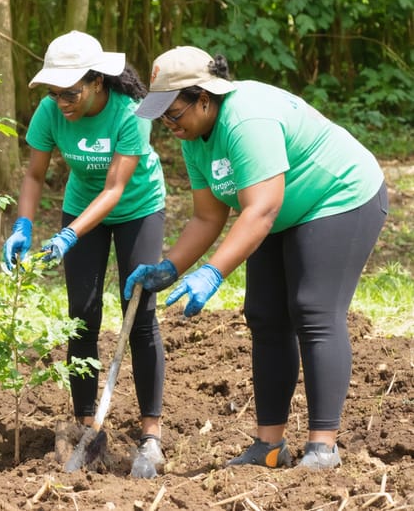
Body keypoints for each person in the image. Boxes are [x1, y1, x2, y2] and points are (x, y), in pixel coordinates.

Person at [126, 46, 388, 470]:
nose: (167, 125)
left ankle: (323, 447)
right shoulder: (195, 136)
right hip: (276, 212)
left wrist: (213, 272)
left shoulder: (247, 120)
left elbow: (261, 210)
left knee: (314, 308)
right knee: (264, 314)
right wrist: (170, 266)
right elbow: (208, 217)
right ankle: (269, 445)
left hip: (339, 196)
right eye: (160, 117)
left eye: (172, 113)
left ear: (204, 98)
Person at [2, 31, 168, 477]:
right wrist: (24, 224)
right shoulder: (49, 111)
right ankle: (83, 427)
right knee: (82, 315)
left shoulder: (131, 112)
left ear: (97, 81)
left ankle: (151, 434)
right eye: (55, 93)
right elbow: (35, 175)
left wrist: (69, 235)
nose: (62, 102)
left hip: (137, 207)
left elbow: (115, 189)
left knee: (140, 312)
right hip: (79, 207)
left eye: (70, 93)